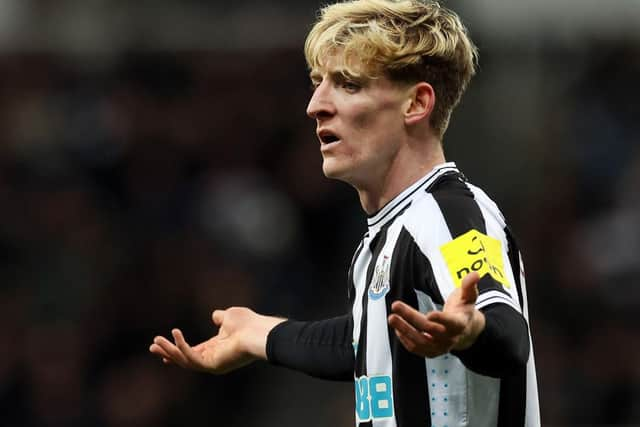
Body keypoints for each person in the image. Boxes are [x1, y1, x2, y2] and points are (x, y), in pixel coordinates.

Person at [149, 0, 541, 426]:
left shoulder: (445, 215)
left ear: (416, 104)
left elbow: (507, 333)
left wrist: (473, 330)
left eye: (348, 85)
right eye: (319, 83)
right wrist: (257, 334)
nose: (315, 105)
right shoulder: (385, 237)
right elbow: (363, 342)